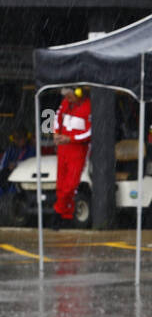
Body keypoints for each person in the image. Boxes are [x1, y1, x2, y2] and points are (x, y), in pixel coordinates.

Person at [52, 87, 91, 222]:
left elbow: (90, 132)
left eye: (69, 96)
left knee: (70, 185)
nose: (67, 99)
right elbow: (57, 117)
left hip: (77, 151)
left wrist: (71, 139)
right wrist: (56, 132)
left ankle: (57, 212)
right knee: (61, 184)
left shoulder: (89, 107)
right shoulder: (65, 103)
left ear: (78, 93)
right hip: (63, 149)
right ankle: (66, 215)